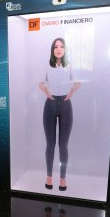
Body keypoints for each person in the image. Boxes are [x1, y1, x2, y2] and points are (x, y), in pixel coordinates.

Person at [38, 37, 81, 191]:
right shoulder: (47, 65)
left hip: (65, 104)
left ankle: (62, 179)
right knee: (50, 144)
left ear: (64, 49)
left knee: (63, 145)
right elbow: (40, 82)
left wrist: (71, 92)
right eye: (56, 46)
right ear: (52, 49)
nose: (58, 49)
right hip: (49, 104)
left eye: (61, 46)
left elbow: (78, 82)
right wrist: (46, 91)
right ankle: (49, 176)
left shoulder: (69, 65)